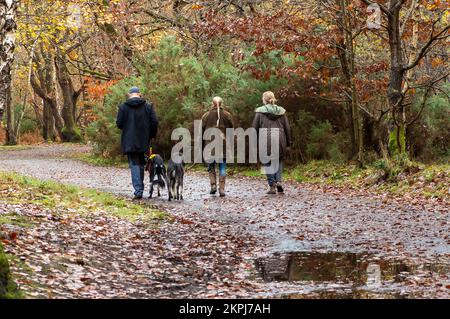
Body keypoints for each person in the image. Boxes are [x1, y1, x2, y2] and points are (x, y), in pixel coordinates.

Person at [116, 87, 158, 199]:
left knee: (134, 163)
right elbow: (154, 122)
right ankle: (140, 188)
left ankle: (138, 190)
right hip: (144, 139)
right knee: (140, 162)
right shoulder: (148, 106)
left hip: (129, 139)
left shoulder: (123, 107)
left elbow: (119, 123)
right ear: (139, 94)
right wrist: (151, 135)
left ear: (129, 94)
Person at [252, 91, 292, 195]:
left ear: (264, 100)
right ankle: (278, 181)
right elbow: (287, 128)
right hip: (280, 138)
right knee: (278, 160)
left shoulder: (260, 112)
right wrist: (288, 142)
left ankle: (272, 185)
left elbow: (254, 128)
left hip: (265, 138)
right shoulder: (281, 112)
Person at [201, 96, 234, 197]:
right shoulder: (227, 115)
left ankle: (213, 186)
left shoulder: (205, 116)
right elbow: (231, 132)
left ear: (212, 104)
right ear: (222, 103)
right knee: (222, 168)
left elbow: (201, 134)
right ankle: (222, 189)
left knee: (211, 167)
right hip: (223, 146)